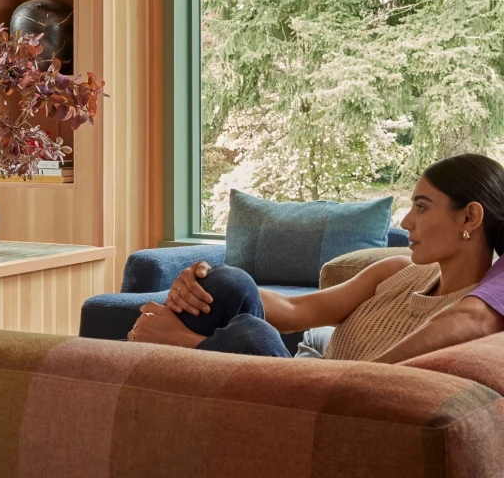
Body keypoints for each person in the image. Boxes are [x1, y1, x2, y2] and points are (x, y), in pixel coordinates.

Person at [128, 153, 504, 360]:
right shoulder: (395, 271)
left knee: (249, 335)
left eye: (422, 208)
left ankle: (172, 349)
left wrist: (185, 340)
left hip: (328, 412)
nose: (406, 221)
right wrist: (198, 280)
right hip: (295, 383)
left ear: (470, 217)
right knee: (228, 279)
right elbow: (296, 313)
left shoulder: (474, 321)